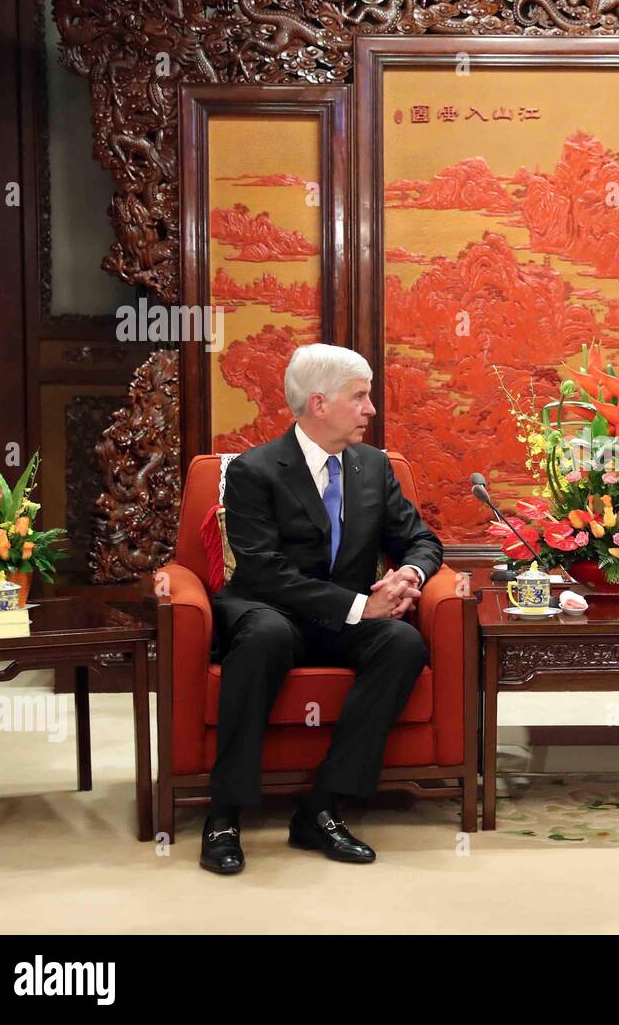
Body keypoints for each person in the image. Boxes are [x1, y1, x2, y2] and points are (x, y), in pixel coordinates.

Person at [201, 344, 443, 874]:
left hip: (347, 619)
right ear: (319, 404)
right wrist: (363, 603)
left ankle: (323, 807)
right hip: (273, 610)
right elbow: (263, 571)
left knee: (403, 644)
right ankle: (224, 814)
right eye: (360, 398)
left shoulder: (374, 467)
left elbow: (420, 539)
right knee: (263, 636)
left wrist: (410, 574)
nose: (371, 410)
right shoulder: (253, 470)